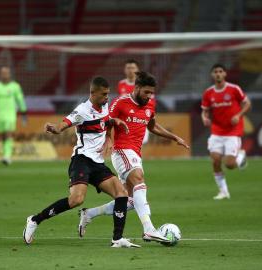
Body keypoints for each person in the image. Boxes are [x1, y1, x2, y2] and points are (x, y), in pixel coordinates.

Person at [23, 77, 140, 248]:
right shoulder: (82, 110)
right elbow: (65, 123)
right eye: (104, 94)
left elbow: (106, 121)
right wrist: (55, 128)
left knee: (122, 194)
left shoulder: (104, 105)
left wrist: (111, 130)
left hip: (97, 163)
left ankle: (117, 239)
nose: (107, 97)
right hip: (81, 161)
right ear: (93, 93)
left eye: (108, 94)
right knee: (77, 199)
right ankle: (34, 220)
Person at [78, 72, 189, 243]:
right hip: (121, 150)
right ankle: (149, 229)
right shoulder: (121, 102)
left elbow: (152, 126)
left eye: (151, 93)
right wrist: (108, 137)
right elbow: (107, 119)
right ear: (137, 88)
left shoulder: (150, 105)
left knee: (128, 200)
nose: (149, 96)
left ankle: (89, 213)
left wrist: (174, 137)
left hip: (136, 153)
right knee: (139, 180)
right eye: (146, 92)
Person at [201, 63, 251, 200]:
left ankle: (240, 157)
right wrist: (204, 118)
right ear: (212, 75)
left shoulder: (234, 89)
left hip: (233, 131)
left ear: (225, 74)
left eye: (220, 71)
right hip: (217, 131)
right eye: (215, 71)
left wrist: (238, 115)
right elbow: (204, 111)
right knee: (215, 160)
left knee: (229, 165)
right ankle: (224, 192)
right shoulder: (208, 92)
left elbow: (247, 103)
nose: (218, 74)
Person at [0, 66, 27, 165]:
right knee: (3, 135)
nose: (4, 75)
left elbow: (20, 99)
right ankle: (5, 154)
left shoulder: (15, 86)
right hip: (0, 115)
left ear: (9, 74)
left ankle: (7, 156)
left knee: (8, 133)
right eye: (3, 73)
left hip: (10, 115)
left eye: (6, 73)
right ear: (0, 74)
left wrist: (23, 110)